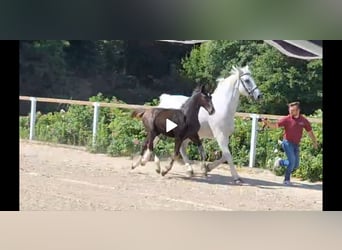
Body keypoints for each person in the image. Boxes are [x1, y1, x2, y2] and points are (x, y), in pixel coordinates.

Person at [262, 102, 318, 185]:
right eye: (289, 110)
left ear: (298, 110)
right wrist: (268, 123)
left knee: (295, 165)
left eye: (292, 110)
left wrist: (314, 142)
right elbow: (275, 126)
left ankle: (280, 162)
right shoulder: (287, 119)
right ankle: (286, 180)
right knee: (292, 162)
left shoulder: (304, 120)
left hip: (296, 144)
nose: (290, 112)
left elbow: (310, 132)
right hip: (287, 142)